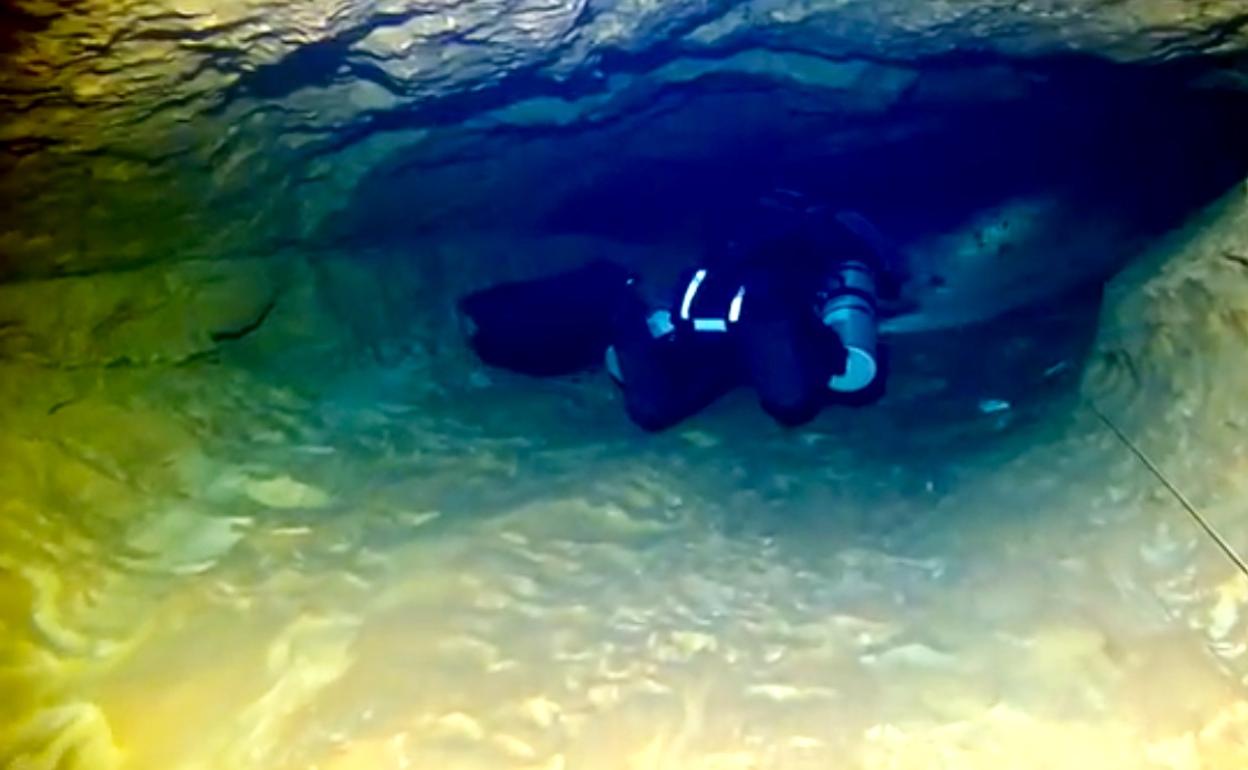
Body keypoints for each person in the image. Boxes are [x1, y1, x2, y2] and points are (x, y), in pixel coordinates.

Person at [457, 206, 907, 431]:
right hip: (769, 333)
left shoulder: (748, 237)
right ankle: (767, 338)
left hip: (712, 333)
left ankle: (623, 316)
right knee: (804, 398)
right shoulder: (836, 234)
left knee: (656, 410)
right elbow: (860, 360)